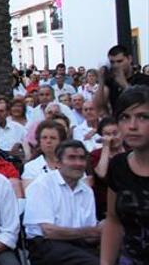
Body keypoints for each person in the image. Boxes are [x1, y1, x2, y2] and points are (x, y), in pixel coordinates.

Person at [24, 140, 100, 265]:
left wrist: (102, 231)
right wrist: (90, 231)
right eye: (72, 158)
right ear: (58, 163)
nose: (78, 163)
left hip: (78, 244)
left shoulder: (87, 191)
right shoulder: (42, 185)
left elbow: (90, 236)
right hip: (46, 245)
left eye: (82, 158)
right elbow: (48, 231)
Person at [101, 85, 149, 265]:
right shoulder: (118, 166)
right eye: (125, 117)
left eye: (143, 117)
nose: (132, 126)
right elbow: (113, 220)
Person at [87, 117, 123, 220]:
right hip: (104, 206)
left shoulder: (131, 151)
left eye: (115, 133)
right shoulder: (95, 155)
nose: (112, 138)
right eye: (107, 134)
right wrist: (106, 147)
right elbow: (102, 173)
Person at [100, 45, 149, 115]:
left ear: (129, 59)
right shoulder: (110, 81)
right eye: (112, 62)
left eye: (120, 61)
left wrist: (124, 84)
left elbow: (140, 103)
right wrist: (101, 82)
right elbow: (98, 105)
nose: (116, 65)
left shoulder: (144, 80)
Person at [23, 120, 68, 188]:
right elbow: (31, 193)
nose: (48, 141)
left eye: (53, 138)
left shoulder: (72, 164)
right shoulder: (31, 167)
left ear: (61, 141)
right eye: (44, 138)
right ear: (39, 141)